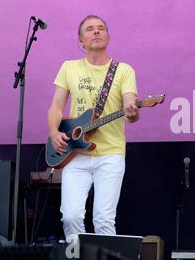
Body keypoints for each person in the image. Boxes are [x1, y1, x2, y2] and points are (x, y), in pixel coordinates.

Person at [47, 15, 140, 239]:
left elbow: (131, 112)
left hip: (110, 154)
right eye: (90, 29)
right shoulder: (69, 68)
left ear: (108, 36)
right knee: (70, 216)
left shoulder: (123, 70)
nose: (96, 32)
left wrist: (132, 111)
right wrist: (54, 132)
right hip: (75, 153)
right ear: (81, 41)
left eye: (101, 28)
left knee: (104, 219)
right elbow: (56, 107)